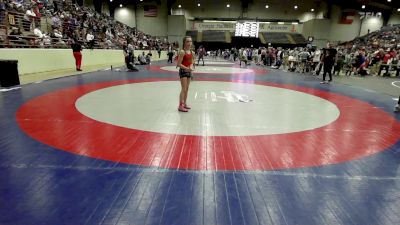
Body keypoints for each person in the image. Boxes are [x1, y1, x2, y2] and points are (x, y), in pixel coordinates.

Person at [177, 36, 195, 112]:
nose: (189, 43)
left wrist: (192, 70)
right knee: (183, 89)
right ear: (184, 42)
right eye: (187, 41)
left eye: (190, 41)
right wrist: (187, 68)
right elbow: (178, 64)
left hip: (189, 72)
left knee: (187, 89)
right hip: (183, 72)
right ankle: (180, 105)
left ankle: (184, 103)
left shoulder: (192, 52)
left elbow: (192, 62)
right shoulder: (182, 52)